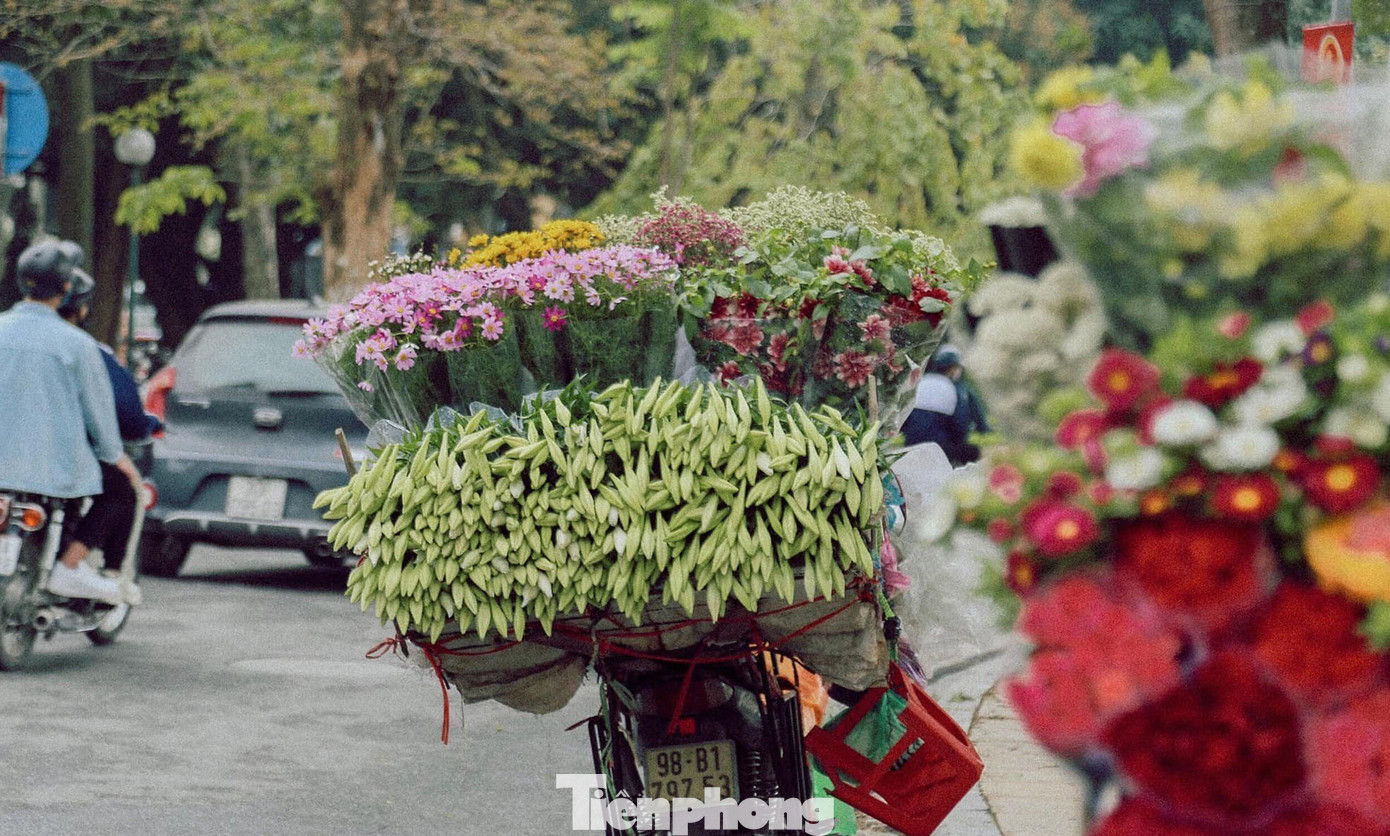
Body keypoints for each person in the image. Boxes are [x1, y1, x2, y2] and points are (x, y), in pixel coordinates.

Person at [0, 239, 141, 605]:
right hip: (54, 470)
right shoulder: (78, 345)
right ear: (65, 289)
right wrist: (117, 457)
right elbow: (99, 413)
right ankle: (69, 566)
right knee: (123, 489)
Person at [55, 242, 160, 582]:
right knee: (122, 490)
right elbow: (123, 413)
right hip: (64, 458)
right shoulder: (88, 352)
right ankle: (72, 566)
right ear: (81, 308)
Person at [900, 344, 990, 466]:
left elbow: (903, 420)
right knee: (974, 452)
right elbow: (960, 428)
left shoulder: (922, 382)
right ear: (954, 368)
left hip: (911, 444)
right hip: (940, 448)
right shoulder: (956, 388)